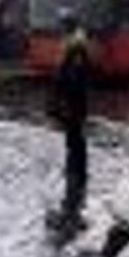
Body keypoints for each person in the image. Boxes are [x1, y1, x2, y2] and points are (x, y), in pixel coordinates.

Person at [48, 14, 91, 233]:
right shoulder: (74, 45)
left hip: (73, 105)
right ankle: (76, 173)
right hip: (74, 105)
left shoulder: (76, 48)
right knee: (74, 139)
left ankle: (77, 175)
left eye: (61, 27)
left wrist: (62, 103)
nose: (59, 31)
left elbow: (73, 80)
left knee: (75, 140)